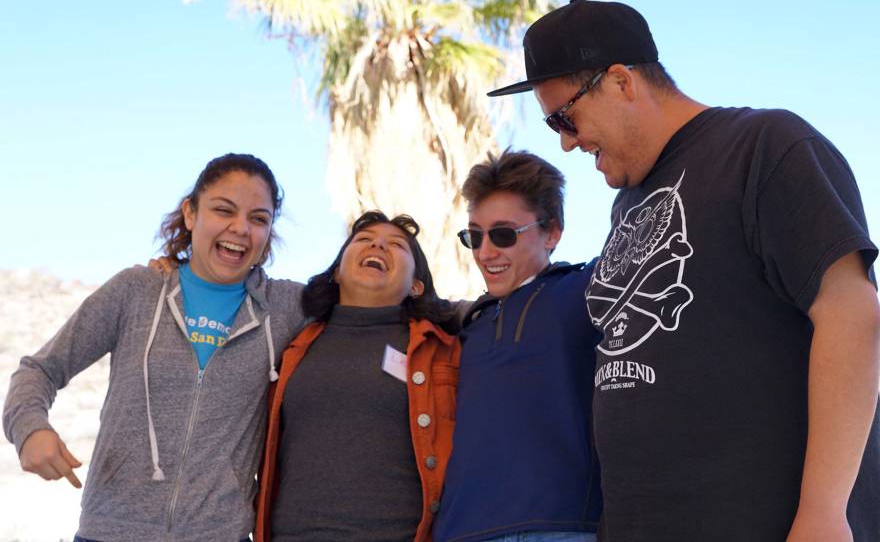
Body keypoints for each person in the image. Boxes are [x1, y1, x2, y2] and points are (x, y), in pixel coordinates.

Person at [488, 0, 880, 542]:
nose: (566, 142)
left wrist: (824, 511)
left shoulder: (767, 146)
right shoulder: (629, 203)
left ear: (621, 81)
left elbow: (852, 314)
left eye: (565, 117)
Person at [3, 153, 307, 541]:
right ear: (191, 214)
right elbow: (39, 369)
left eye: (258, 219)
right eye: (223, 210)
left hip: (219, 534)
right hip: (110, 530)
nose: (241, 228)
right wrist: (29, 429)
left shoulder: (286, 308)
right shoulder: (136, 292)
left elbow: (366, 304)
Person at [254, 210, 461, 542]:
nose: (378, 245)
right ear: (337, 272)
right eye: (364, 240)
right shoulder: (293, 341)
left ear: (416, 285)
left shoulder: (444, 350)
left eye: (396, 245)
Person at [432, 150, 602, 542]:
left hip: (560, 527)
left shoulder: (585, 290)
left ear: (552, 233)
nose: (485, 252)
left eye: (504, 234)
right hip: (460, 531)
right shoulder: (467, 327)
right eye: (474, 235)